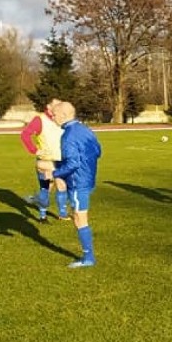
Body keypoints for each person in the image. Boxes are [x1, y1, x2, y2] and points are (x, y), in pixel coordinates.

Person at [50, 101, 102, 268]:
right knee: (79, 215)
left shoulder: (68, 135)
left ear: (64, 115)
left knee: (80, 218)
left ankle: (88, 258)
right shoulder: (85, 129)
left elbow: (73, 163)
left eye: (55, 115)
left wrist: (55, 173)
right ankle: (88, 257)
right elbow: (98, 151)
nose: (53, 118)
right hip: (88, 178)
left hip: (78, 181)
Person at [19, 99, 70, 222]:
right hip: (46, 161)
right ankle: (47, 215)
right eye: (56, 105)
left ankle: (56, 215)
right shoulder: (40, 120)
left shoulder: (61, 119)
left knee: (59, 186)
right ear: (48, 106)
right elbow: (25, 134)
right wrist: (35, 150)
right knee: (48, 187)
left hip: (61, 160)